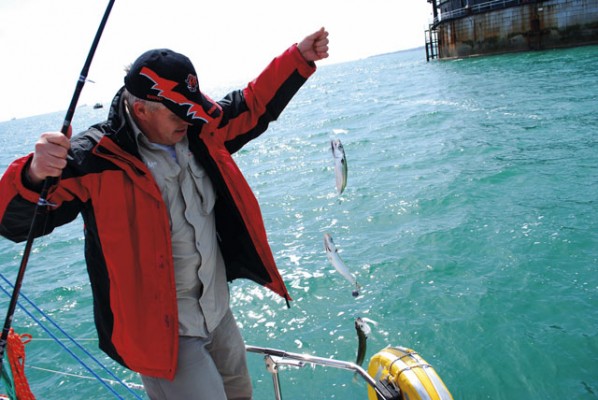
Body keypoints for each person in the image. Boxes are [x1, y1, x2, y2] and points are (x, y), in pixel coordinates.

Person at [0, 27, 329, 399]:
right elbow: (13, 223)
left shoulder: (201, 132)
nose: (188, 121)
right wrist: (32, 174)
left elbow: (251, 106)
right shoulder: (90, 160)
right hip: (166, 338)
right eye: (178, 114)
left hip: (218, 314)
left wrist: (298, 59)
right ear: (141, 109)